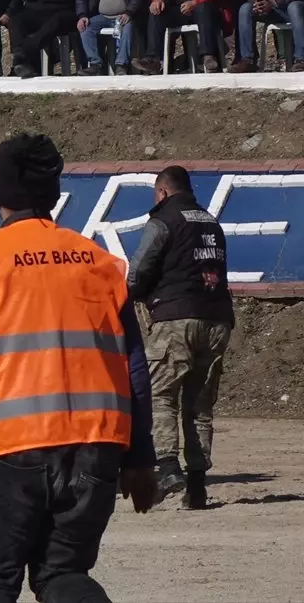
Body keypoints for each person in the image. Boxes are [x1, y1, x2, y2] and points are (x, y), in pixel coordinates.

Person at [0, 134, 157, 603]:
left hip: (12, 449)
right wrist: (140, 459)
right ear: (54, 195)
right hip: (96, 449)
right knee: (63, 574)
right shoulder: (100, 264)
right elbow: (134, 371)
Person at [125, 165, 234, 510]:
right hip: (217, 319)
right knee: (200, 405)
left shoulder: (163, 219)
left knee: (160, 394)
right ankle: (197, 487)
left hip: (175, 318)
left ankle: (169, 467)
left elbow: (140, 268)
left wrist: (133, 293)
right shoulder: (210, 221)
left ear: (162, 192)